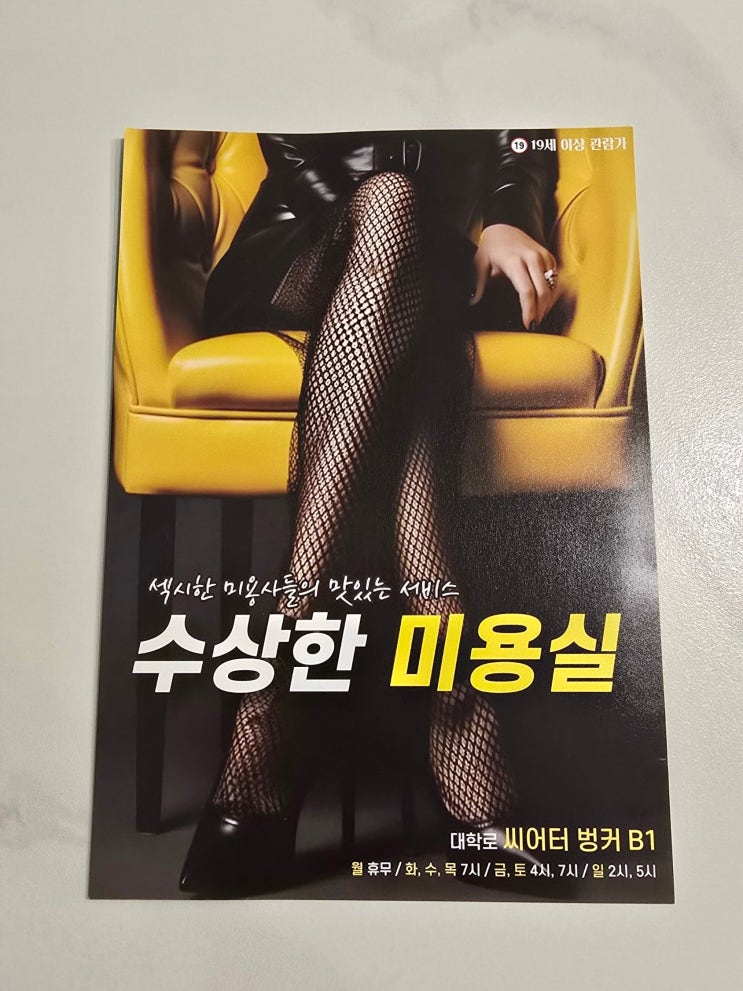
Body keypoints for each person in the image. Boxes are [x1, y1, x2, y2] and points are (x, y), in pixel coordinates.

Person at [179, 130, 559, 894]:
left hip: (451, 268)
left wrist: (504, 217)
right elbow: (292, 143)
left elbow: (521, 140)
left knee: (414, 297)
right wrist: (411, 232)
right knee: (391, 207)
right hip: (302, 247)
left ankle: (273, 698)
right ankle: (461, 723)